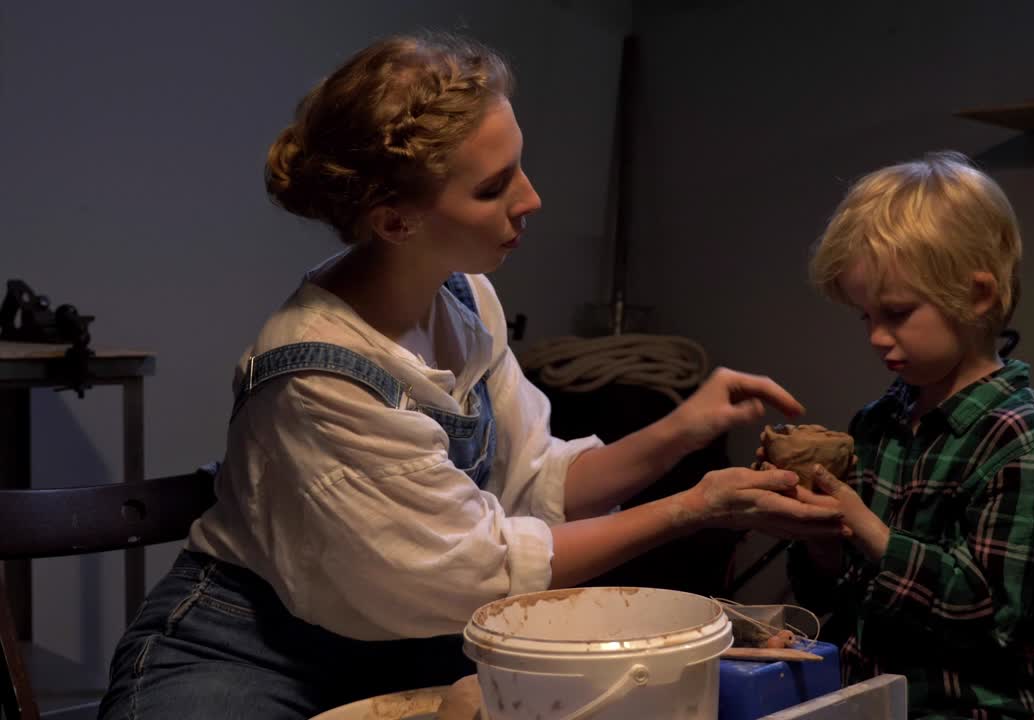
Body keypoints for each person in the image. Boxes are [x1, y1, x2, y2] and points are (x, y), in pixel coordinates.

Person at [98, 33, 843, 720]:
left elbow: (532, 483)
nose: (531, 200)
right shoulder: (320, 378)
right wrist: (692, 508)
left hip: (403, 635)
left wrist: (685, 427)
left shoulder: (462, 294)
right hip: (251, 649)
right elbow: (480, 570)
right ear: (395, 222)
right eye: (493, 189)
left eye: (519, 164)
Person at [783, 152, 1034, 719]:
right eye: (865, 316)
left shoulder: (1025, 438)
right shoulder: (878, 423)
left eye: (896, 313)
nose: (876, 337)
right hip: (871, 702)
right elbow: (841, 605)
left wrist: (869, 530)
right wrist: (820, 540)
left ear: (977, 297)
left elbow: (989, 612)